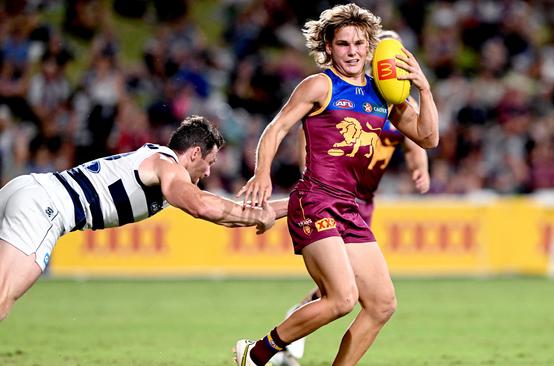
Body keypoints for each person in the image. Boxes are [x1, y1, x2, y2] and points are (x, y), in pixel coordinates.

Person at [234, 4, 439, 366]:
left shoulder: (385, 95)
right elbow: (277, 128)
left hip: (350, 207)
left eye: (359, 44)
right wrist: (262, 172)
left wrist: (423, 88)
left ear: (369, 46)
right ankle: (257, 352)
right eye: (344, 44)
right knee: (342, 299)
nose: (353, 51)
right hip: (315, 201)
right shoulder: (320, 84)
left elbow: (428, 137)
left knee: (382, 304)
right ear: (329, 47)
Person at [0, 115, 287, 321]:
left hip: (27, 188)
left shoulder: (156, 162)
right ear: (195, 153)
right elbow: (202, 207)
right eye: (209, 163)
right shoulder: (168, 167)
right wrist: (257, 217)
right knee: (3, 296)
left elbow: (224, 217)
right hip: (44, 208)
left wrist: (291, 206)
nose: (209, 173)